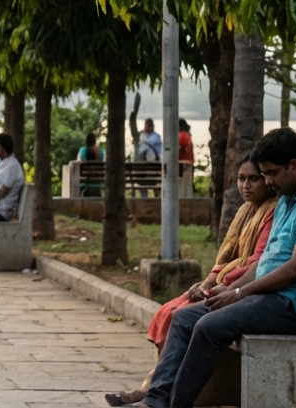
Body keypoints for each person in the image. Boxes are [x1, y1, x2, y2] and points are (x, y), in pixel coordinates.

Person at [142, 128, 296, 408]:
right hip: (270, 297)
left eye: (271, 173)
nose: (267, 181)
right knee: (185, 318)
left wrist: (240, 292)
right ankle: (155, 401)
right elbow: (267, 264)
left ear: (295, 166)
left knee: (207, 326)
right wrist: (228, 289)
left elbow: (295, 270)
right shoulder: (288, 200)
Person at [105, 158, 277, 406]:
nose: (246, 186)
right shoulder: (245, 212)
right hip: (230, 283)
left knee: (184, 315)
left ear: (267, 182)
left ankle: (153, 393)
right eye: (241, 178)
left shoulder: (272, 212)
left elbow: (258, 262)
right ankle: (154, 391)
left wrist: (225, 286)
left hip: (245, 289)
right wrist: (207, 281)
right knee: (171, 311)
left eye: (254, 178)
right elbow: (227, 256)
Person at [77, 132, 103, 197]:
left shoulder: (82, 150)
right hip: (98, 181)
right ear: (95, 141)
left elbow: (78, 163)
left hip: (86, 181)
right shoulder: (101, 151)